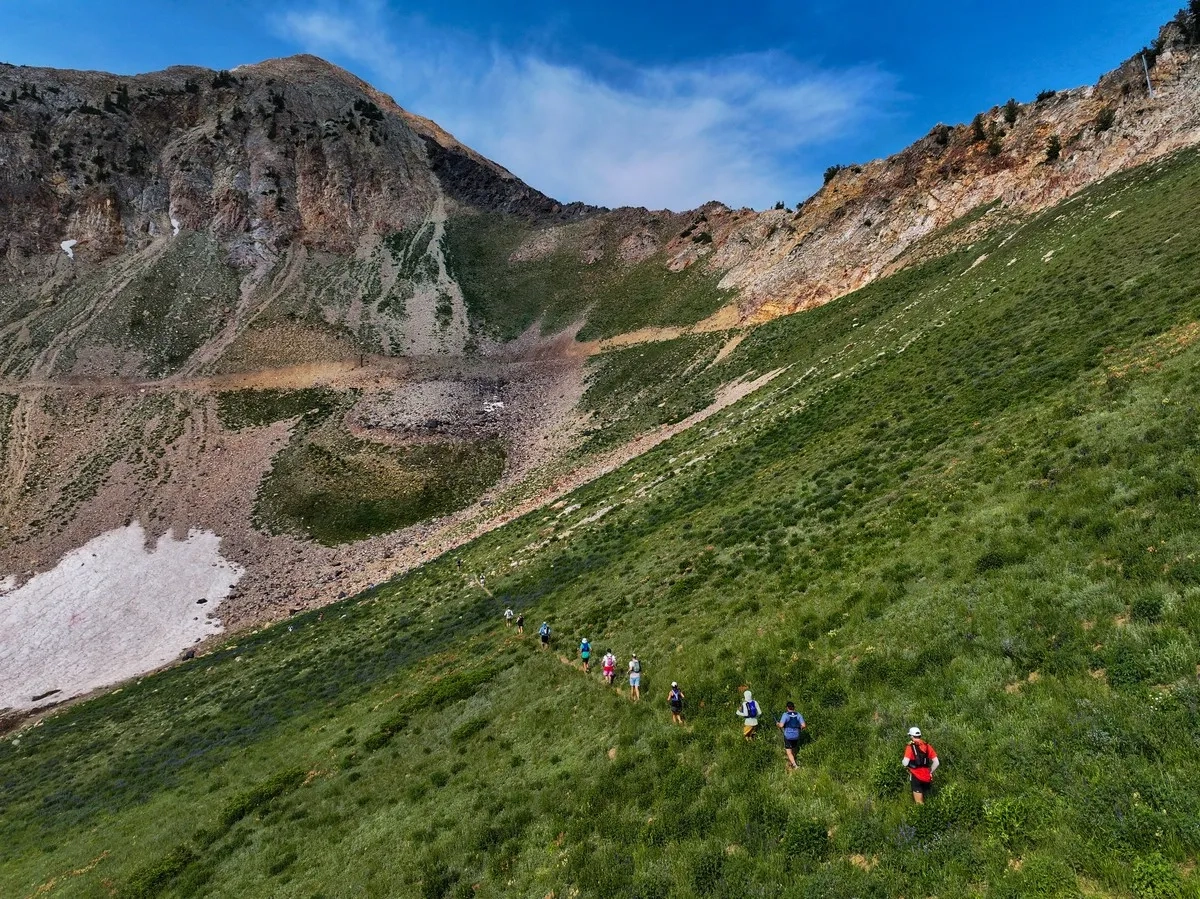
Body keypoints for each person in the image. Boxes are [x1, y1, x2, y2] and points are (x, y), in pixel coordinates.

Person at [901, 726, 939, 804]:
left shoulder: (910, 746)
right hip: (927, 777)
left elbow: (905, 762)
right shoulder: (927, 745)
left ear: (911, 736)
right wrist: (930, 772)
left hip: (916, 776)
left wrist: (904, 763)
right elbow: (936, 762)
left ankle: (923, 812)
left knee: (919, 804)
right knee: (929, 801)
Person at [776, 702, 807, 770]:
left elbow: (781, 725)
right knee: (794, 748)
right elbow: (804, 725)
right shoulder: (798, 714)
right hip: (796, 735)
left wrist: (778, 724)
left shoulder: (785, 715)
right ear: (794, 707)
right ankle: (792, 761)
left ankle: (795, 766)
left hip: (788, 736)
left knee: (789, 752)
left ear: (787, 708)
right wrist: (799, 728)